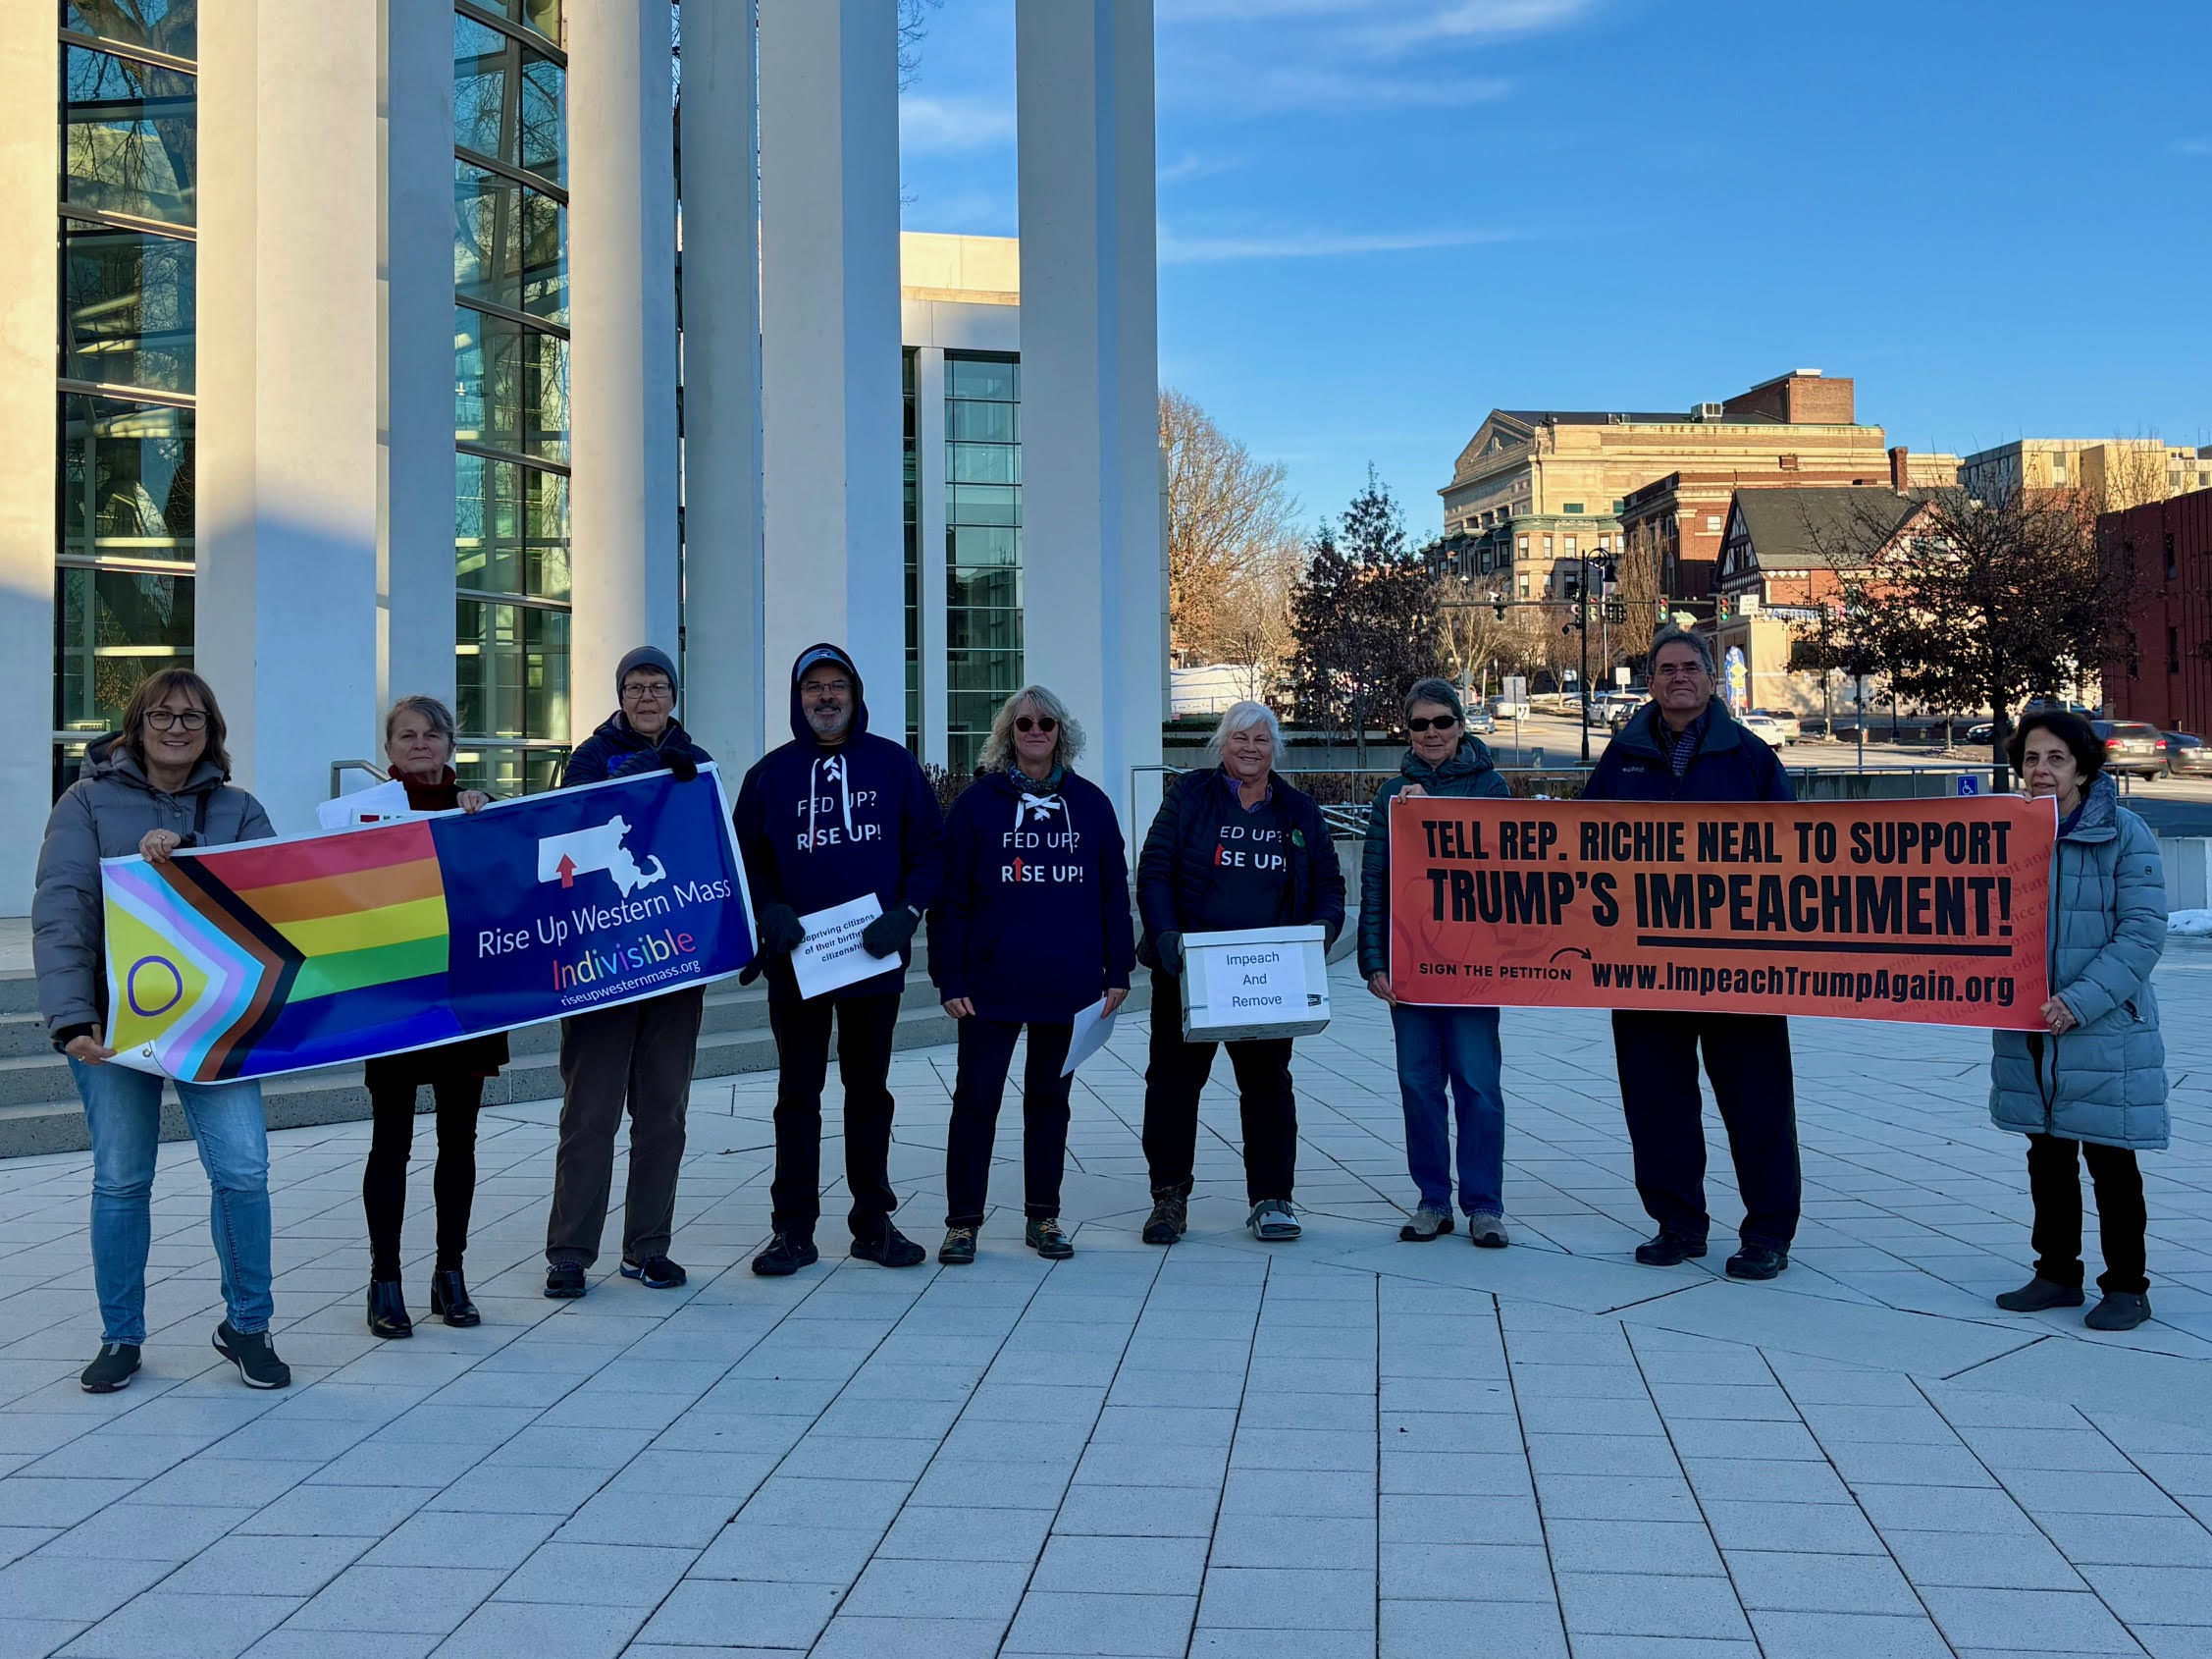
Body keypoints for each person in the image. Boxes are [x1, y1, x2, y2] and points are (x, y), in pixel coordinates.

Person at [33, 669, 290, 1391]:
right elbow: (63, 910)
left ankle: (248, 1326)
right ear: (135, 723)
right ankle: (121, 1337)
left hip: (217, 1025)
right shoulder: (85, 802)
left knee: (242, 1172)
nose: (178, 728)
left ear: (213, 731)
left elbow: (275, 900)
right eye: (162, 715)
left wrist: (192, 860)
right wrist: (69, 1018)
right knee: (121, 1180)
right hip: (115, 1026)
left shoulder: (240, 808)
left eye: (194, 718)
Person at [1581, 624, 1800, 1280]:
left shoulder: (1752, 758)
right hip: (1644, 963)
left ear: (1710, 679)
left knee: (1757, 1104)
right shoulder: (1620, 759)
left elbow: (1795, 858)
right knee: (1656, 1103)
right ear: (1650, 683)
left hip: (1741, 968)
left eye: (1689, 668)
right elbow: (1580, 847)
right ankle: (1677, 1223)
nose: (1678, 677)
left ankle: (1767, 1234)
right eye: (1665, 669)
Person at [734, 644, 944, 1275]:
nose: (825, 697)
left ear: (854, 695)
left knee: (868, 1093)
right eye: (813, 688)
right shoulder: (770, 775)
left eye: (836, 687)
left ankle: (872, 1222)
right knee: (797, 1094)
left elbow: (929, 850)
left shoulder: (894, 765)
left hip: (871, 961)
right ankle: (792, 1229)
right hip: (797, 962)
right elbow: (746, 856)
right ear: (798, 699)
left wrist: (907, 914)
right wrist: (768, 908)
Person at [930, 686, 1134, 1265]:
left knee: (1049, 1104)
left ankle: (1043, 1217)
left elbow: (1112, 895)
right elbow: (952, 900)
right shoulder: (975, 806)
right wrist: (950, 977)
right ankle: (963, 1222)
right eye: (1024, 723)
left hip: (1066, 985)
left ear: (1061, 732)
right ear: (1008, 734)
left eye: (1046, 722)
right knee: (976, 1101)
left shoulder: (1091, 805)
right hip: (990, 985)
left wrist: (1117, 968)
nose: (1035, 731)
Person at [1135, 700, 1345, 1245]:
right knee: (1174, 1086)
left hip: (1267, 981)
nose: (1250, 748)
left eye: (1262, 739)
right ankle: (1169, 1198)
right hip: (1190, 973)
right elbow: (1155, 869)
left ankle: (1272, 1199)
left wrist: (1314, 938)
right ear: (1220, 745)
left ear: (1276, 748)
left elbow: (1328, 885)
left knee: (1268, 1087)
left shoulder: (1298, 809)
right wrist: (1165, 938)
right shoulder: (1188, 797)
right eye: (1239, 738)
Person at [543, 646, 712, 1299]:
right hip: (603, 963)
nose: (647, 696)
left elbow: (712, 848)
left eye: (658, 685)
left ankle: (647, 1247)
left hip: (673, 962)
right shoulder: (588, 758)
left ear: (674, 695)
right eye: (635, 686)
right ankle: (569, 1253)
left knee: (664, 1114)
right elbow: (571, 822)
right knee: (590, 1115)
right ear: (619, 697)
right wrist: (644, 774)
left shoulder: (699, 762)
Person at [1989, 711, 2167, 1332]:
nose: (2042, 770)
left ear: (2083, 766)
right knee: (2047, 1153)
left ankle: (2126, 1286)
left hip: (2103, 1026)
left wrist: (2082, 1000)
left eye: (2056, 758)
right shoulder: (2004, 833)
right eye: (2032, 759)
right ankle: (2057, 1273)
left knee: (2111, 1160)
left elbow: (2142, 933)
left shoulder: (2125, 832)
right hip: (2029, 1023)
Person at [359, 696, 502, 1338]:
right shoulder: (362, 819)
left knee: (459, 1142)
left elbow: (508, 886)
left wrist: (485, 817)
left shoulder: (480, 813)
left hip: (464, 990)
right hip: (393, 994)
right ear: (388, 749)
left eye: (432, 734)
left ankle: (451, 1274)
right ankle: (383, 1280)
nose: (419, 744)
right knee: (391, 1143)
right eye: (406, 735)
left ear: (452, 743)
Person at [1360, 678, 1513, 1247]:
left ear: (1460, 726)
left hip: (1474, 965)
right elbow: (1375, 880)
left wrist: (1440, 813)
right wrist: (1374, 959)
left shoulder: (1491, 785)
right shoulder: (1391, 795)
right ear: (1409, 731)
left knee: (1478, 1084)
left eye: (1441, 723)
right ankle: (1432, 1199)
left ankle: (1483, 1204)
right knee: (1418, 1084)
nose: (1431, 734)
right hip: (1414, 963)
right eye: (1420, 725)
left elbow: (1504, 866)